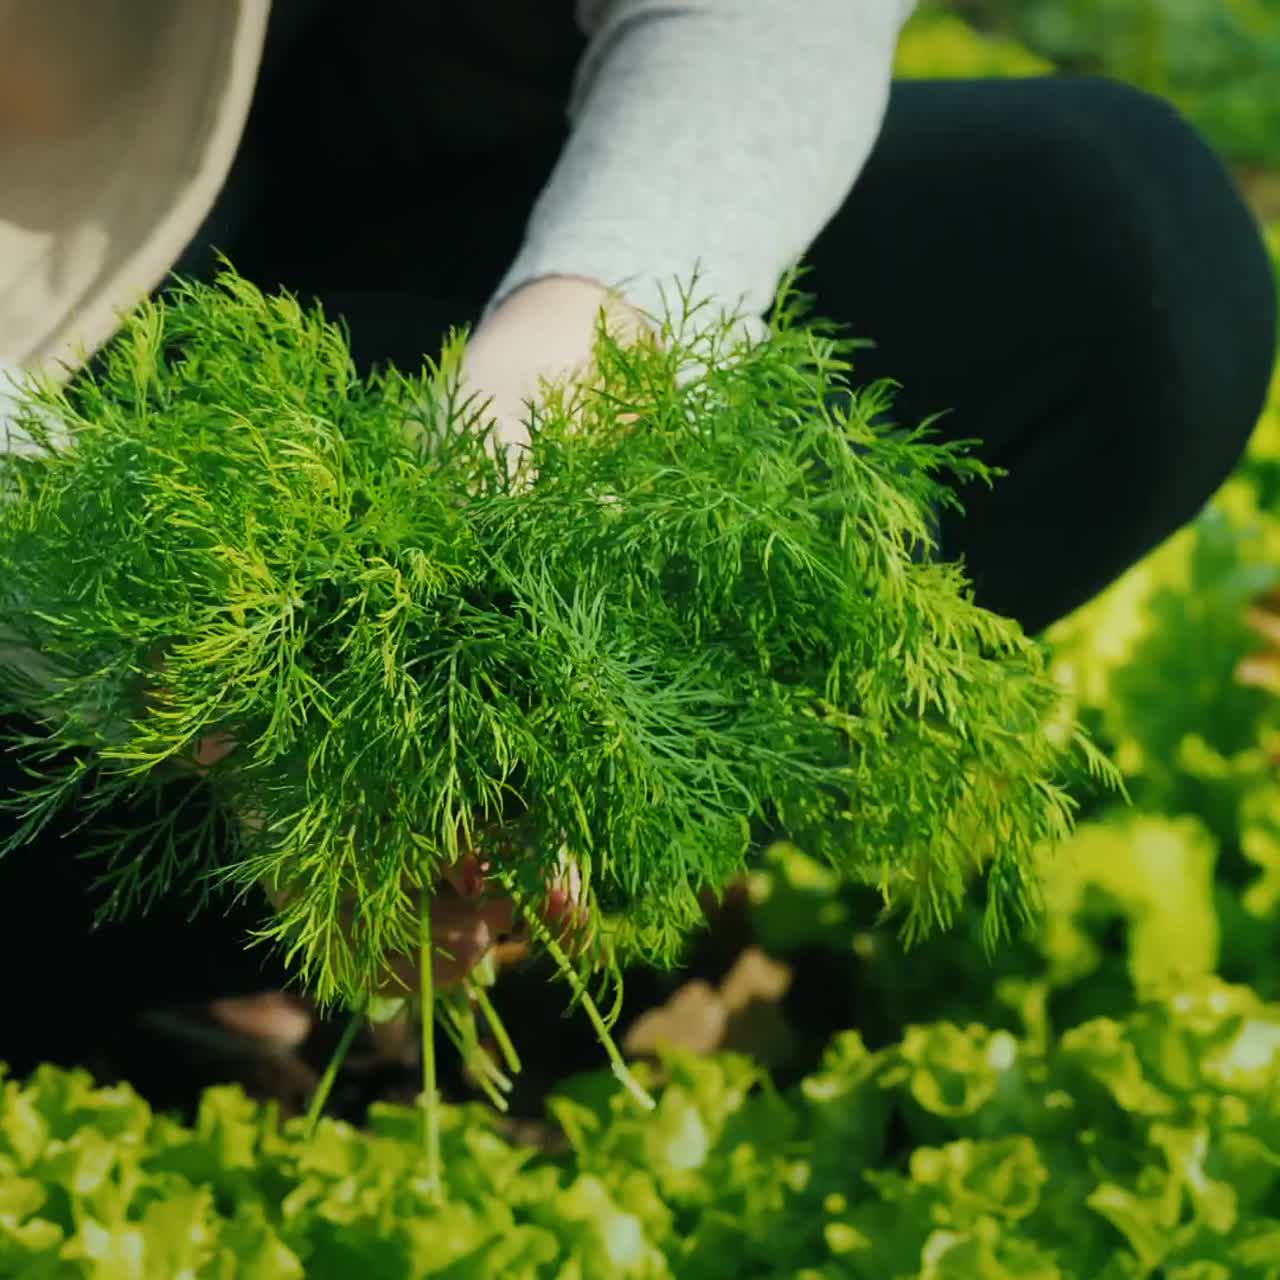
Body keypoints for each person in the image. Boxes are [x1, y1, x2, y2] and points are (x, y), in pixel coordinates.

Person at [0, 0, 1274, 1068]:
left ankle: (484, 886)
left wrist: (582, 344)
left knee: (1114, 266)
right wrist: (160, 662)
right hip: (54, 418)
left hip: (390, 263)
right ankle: (187, 935)